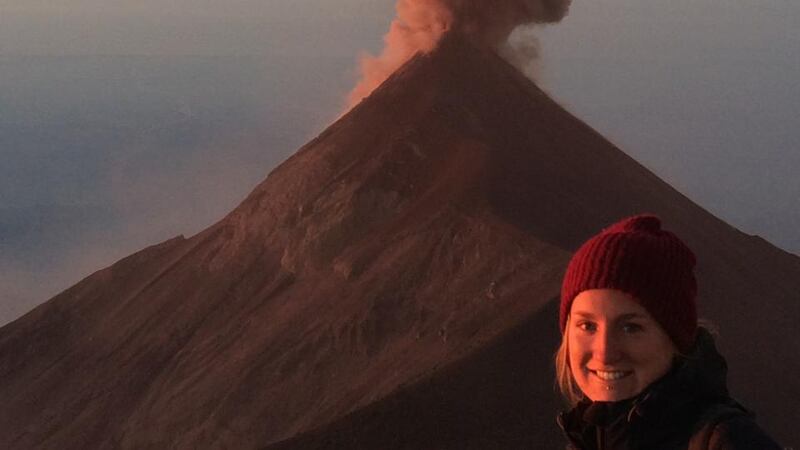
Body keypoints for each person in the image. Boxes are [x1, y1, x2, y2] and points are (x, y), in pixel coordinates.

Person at [554, 214, 782, 450]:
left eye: (631, 327)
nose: (605, 352)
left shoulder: (725, 441)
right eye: (587, 326)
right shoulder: (589, 438)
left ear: (675, 339)